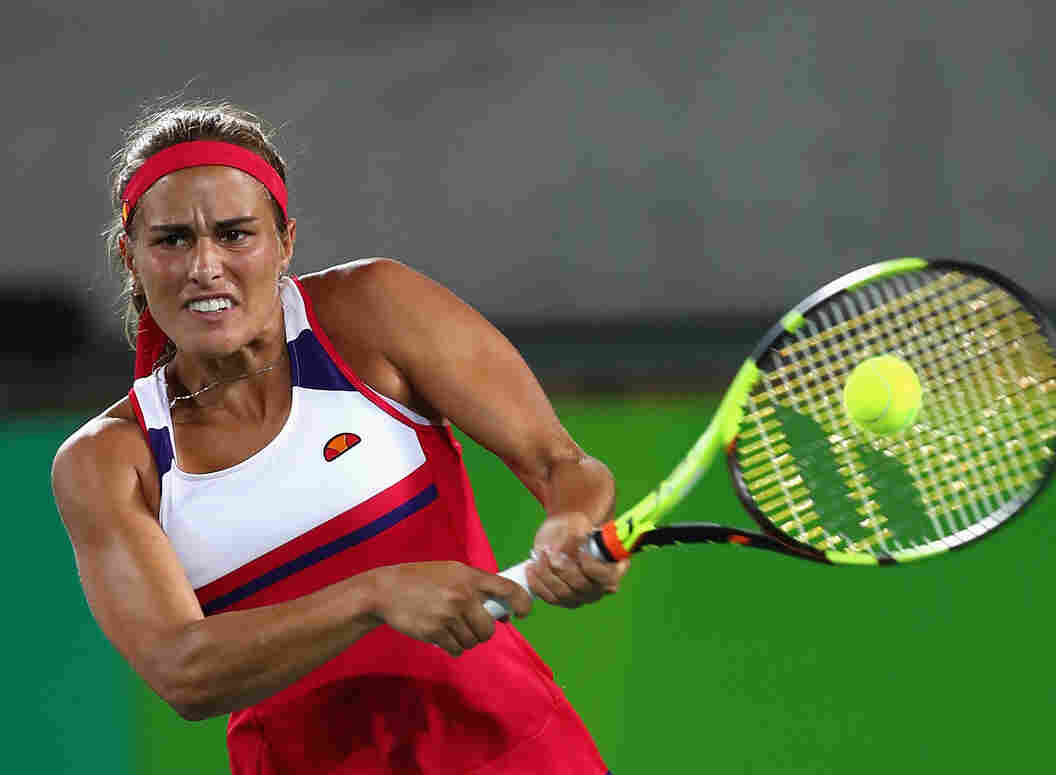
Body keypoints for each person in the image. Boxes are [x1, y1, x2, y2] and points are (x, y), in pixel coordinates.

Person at [51, 101, 628, 774]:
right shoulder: (108, 461)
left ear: (285, 242)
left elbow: (562, 462)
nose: (204, 265)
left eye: (236, 234)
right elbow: (185, 670)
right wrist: (374, 595)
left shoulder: (376, 311)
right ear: (132, 257)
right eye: (172, 239)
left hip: (517, 750)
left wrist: (571, 524)